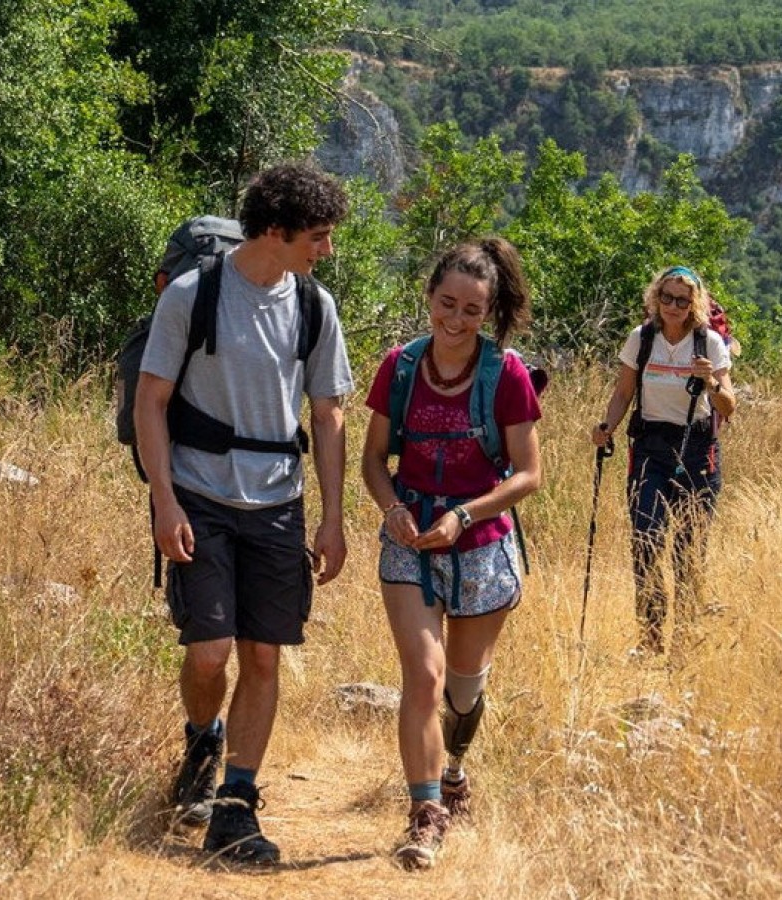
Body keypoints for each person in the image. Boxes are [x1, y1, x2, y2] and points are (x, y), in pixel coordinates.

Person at [135, 163, 353, 865]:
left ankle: (235, 804)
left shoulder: (315, 307)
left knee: (263, 654)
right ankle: (203, 737)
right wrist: (164, 501)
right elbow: (151, 402)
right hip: (199, 497)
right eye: (317, 237)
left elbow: (329, 414)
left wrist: (332, 518)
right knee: (209, 654)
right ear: (275, 231)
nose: (326, 250)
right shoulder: (194, 297)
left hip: (278, 507)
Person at [359, 238, 542, 871]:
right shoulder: (401, 366)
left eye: (471, 310)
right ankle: (426, 812)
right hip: (409, 541)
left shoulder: (506, 373)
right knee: (425, 677)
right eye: (446, 304)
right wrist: (396, 512)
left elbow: (528, 474)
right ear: (429, 295)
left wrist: (465, 515)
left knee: (463, 692)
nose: (456, 320)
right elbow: (371, 460)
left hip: (483, 544)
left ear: (489, 313)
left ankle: (456, 769)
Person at [589, 266, 736, 656]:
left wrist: (712, 383)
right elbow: (623, 392)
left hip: (697, 450)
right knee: (645, 541)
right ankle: (651, 639)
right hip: (650, 448)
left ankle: (685, 642)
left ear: (695, 304)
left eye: (682, 300)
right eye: (667, 297)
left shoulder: (711, 345)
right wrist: (607, 426)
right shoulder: (642, 339)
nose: (673, 306)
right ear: (656, 298)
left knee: (688, 550)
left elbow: (729, 406)